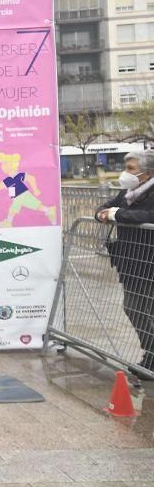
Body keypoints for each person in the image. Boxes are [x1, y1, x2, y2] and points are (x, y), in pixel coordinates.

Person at [96, 150, 154, 372]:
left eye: (131, 168)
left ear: (148, 172)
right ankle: (151, 356)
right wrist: (103, 213)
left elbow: (148, 216)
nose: (126, 173)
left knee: (138, 308)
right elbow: (104, 208)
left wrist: (116, 214)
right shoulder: (128, 193)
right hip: (130, 261)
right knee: (136, 309)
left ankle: (152, 356)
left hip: (149, 261)